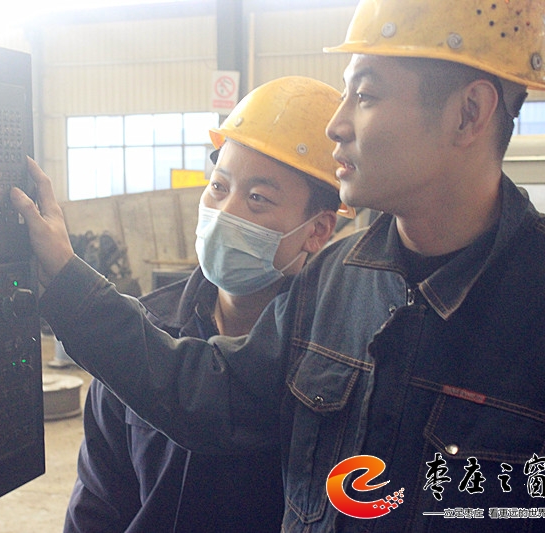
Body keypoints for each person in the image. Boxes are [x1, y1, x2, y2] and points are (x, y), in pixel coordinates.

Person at [12, 0, 545, 530]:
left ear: (468, 113)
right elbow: (207, 398)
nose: (337, 125)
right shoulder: (335, 280)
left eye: (366, 94)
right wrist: (66, 279)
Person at [62, 76, 349, 533]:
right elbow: (98, 503)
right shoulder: (141, 332)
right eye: (218, 186)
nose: (226, 212)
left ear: (317, 230)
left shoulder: (336, 356)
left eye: (257, 198)